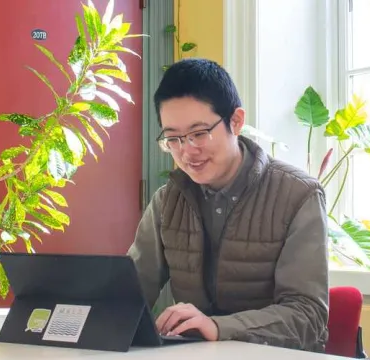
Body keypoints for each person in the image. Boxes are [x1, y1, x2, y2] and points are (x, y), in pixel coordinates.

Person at [127, 58, 329, 352]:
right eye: (173, 139)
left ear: (236, 121)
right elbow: (129, 292)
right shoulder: (167, 201)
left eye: (198, 134)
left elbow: (308, 318)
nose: (186, 151)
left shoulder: (299, 195)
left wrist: (220, 327)